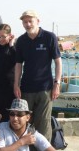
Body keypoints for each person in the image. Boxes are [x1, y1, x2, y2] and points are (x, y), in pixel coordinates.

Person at [13, 10, 62, 141]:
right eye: (25, 22)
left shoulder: (49, 37)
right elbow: (18, 64)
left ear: (37, 21)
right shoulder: (21, 40)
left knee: (44, 123)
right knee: (25, 122)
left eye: (30, 21)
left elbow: (58, 62)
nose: (28, 24)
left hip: (45, 88)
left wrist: (57, 84)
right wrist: (16, 84)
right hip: (26, 88)